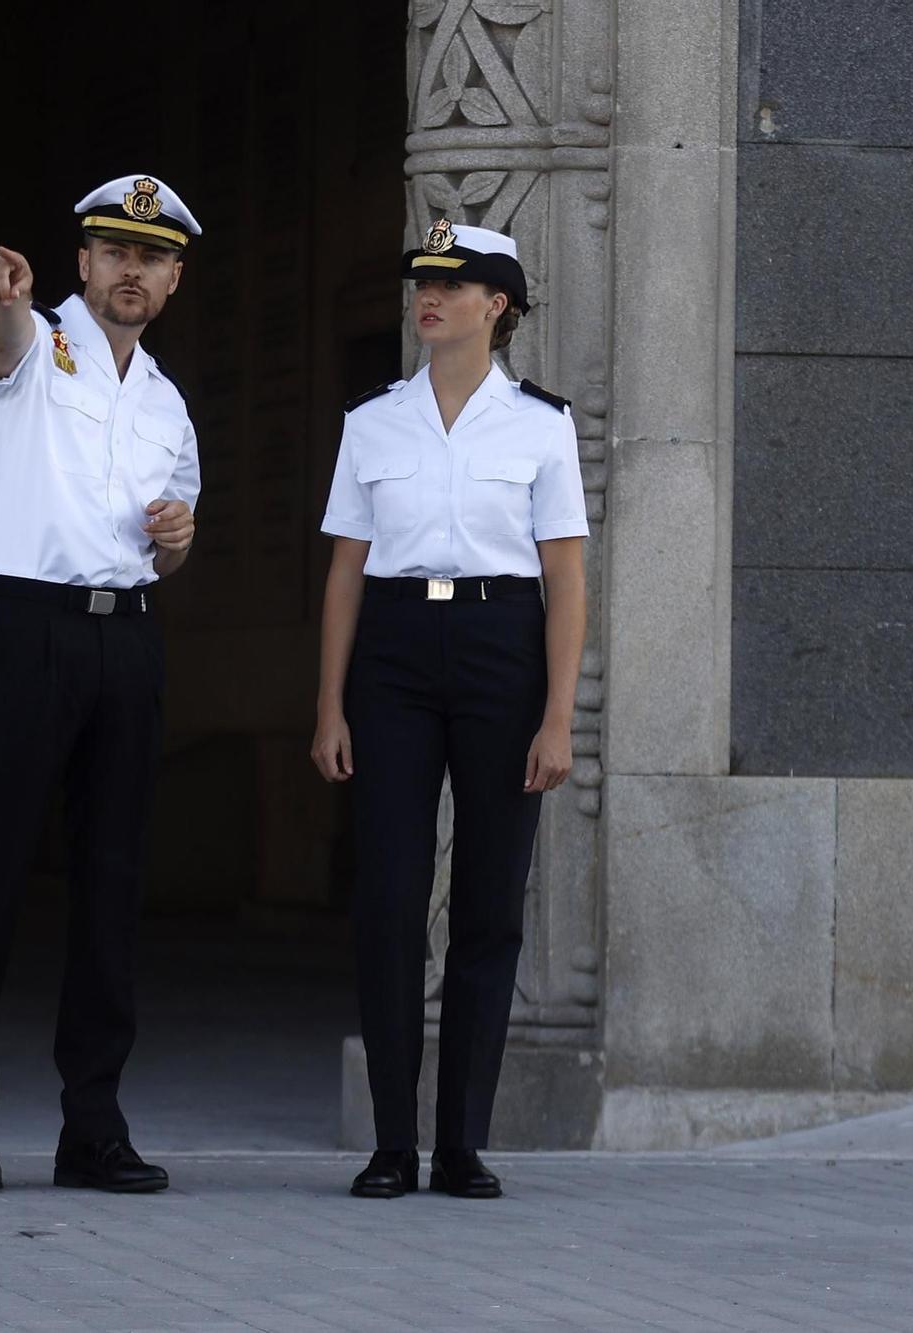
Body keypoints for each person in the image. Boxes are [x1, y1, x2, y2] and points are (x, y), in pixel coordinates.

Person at [0, 174, 202, 1195]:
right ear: (83, 263)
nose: (132, 271)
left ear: (172, 279)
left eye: (152, 257)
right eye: (114, 253)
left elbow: (169, 543)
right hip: (24, 628)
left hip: (124, 641)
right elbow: (0, 347)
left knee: (113, 884)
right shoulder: (37, 344)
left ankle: (93, 1124)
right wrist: (1, 296)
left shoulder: (167, 403)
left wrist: (176, 540)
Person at [312, 219, 588, 1199]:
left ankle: (461, 1142)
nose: (428, 296)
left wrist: (557, 716)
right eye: (422, 280)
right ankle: (392, 1142)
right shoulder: (371, 420)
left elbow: (564, 576)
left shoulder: (540, 425)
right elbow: (344, 571)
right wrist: (328, 704)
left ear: (496, 304)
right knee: (388, 899)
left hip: (498, 649)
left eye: (452, 282)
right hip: (390, 653)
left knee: (486, 903)